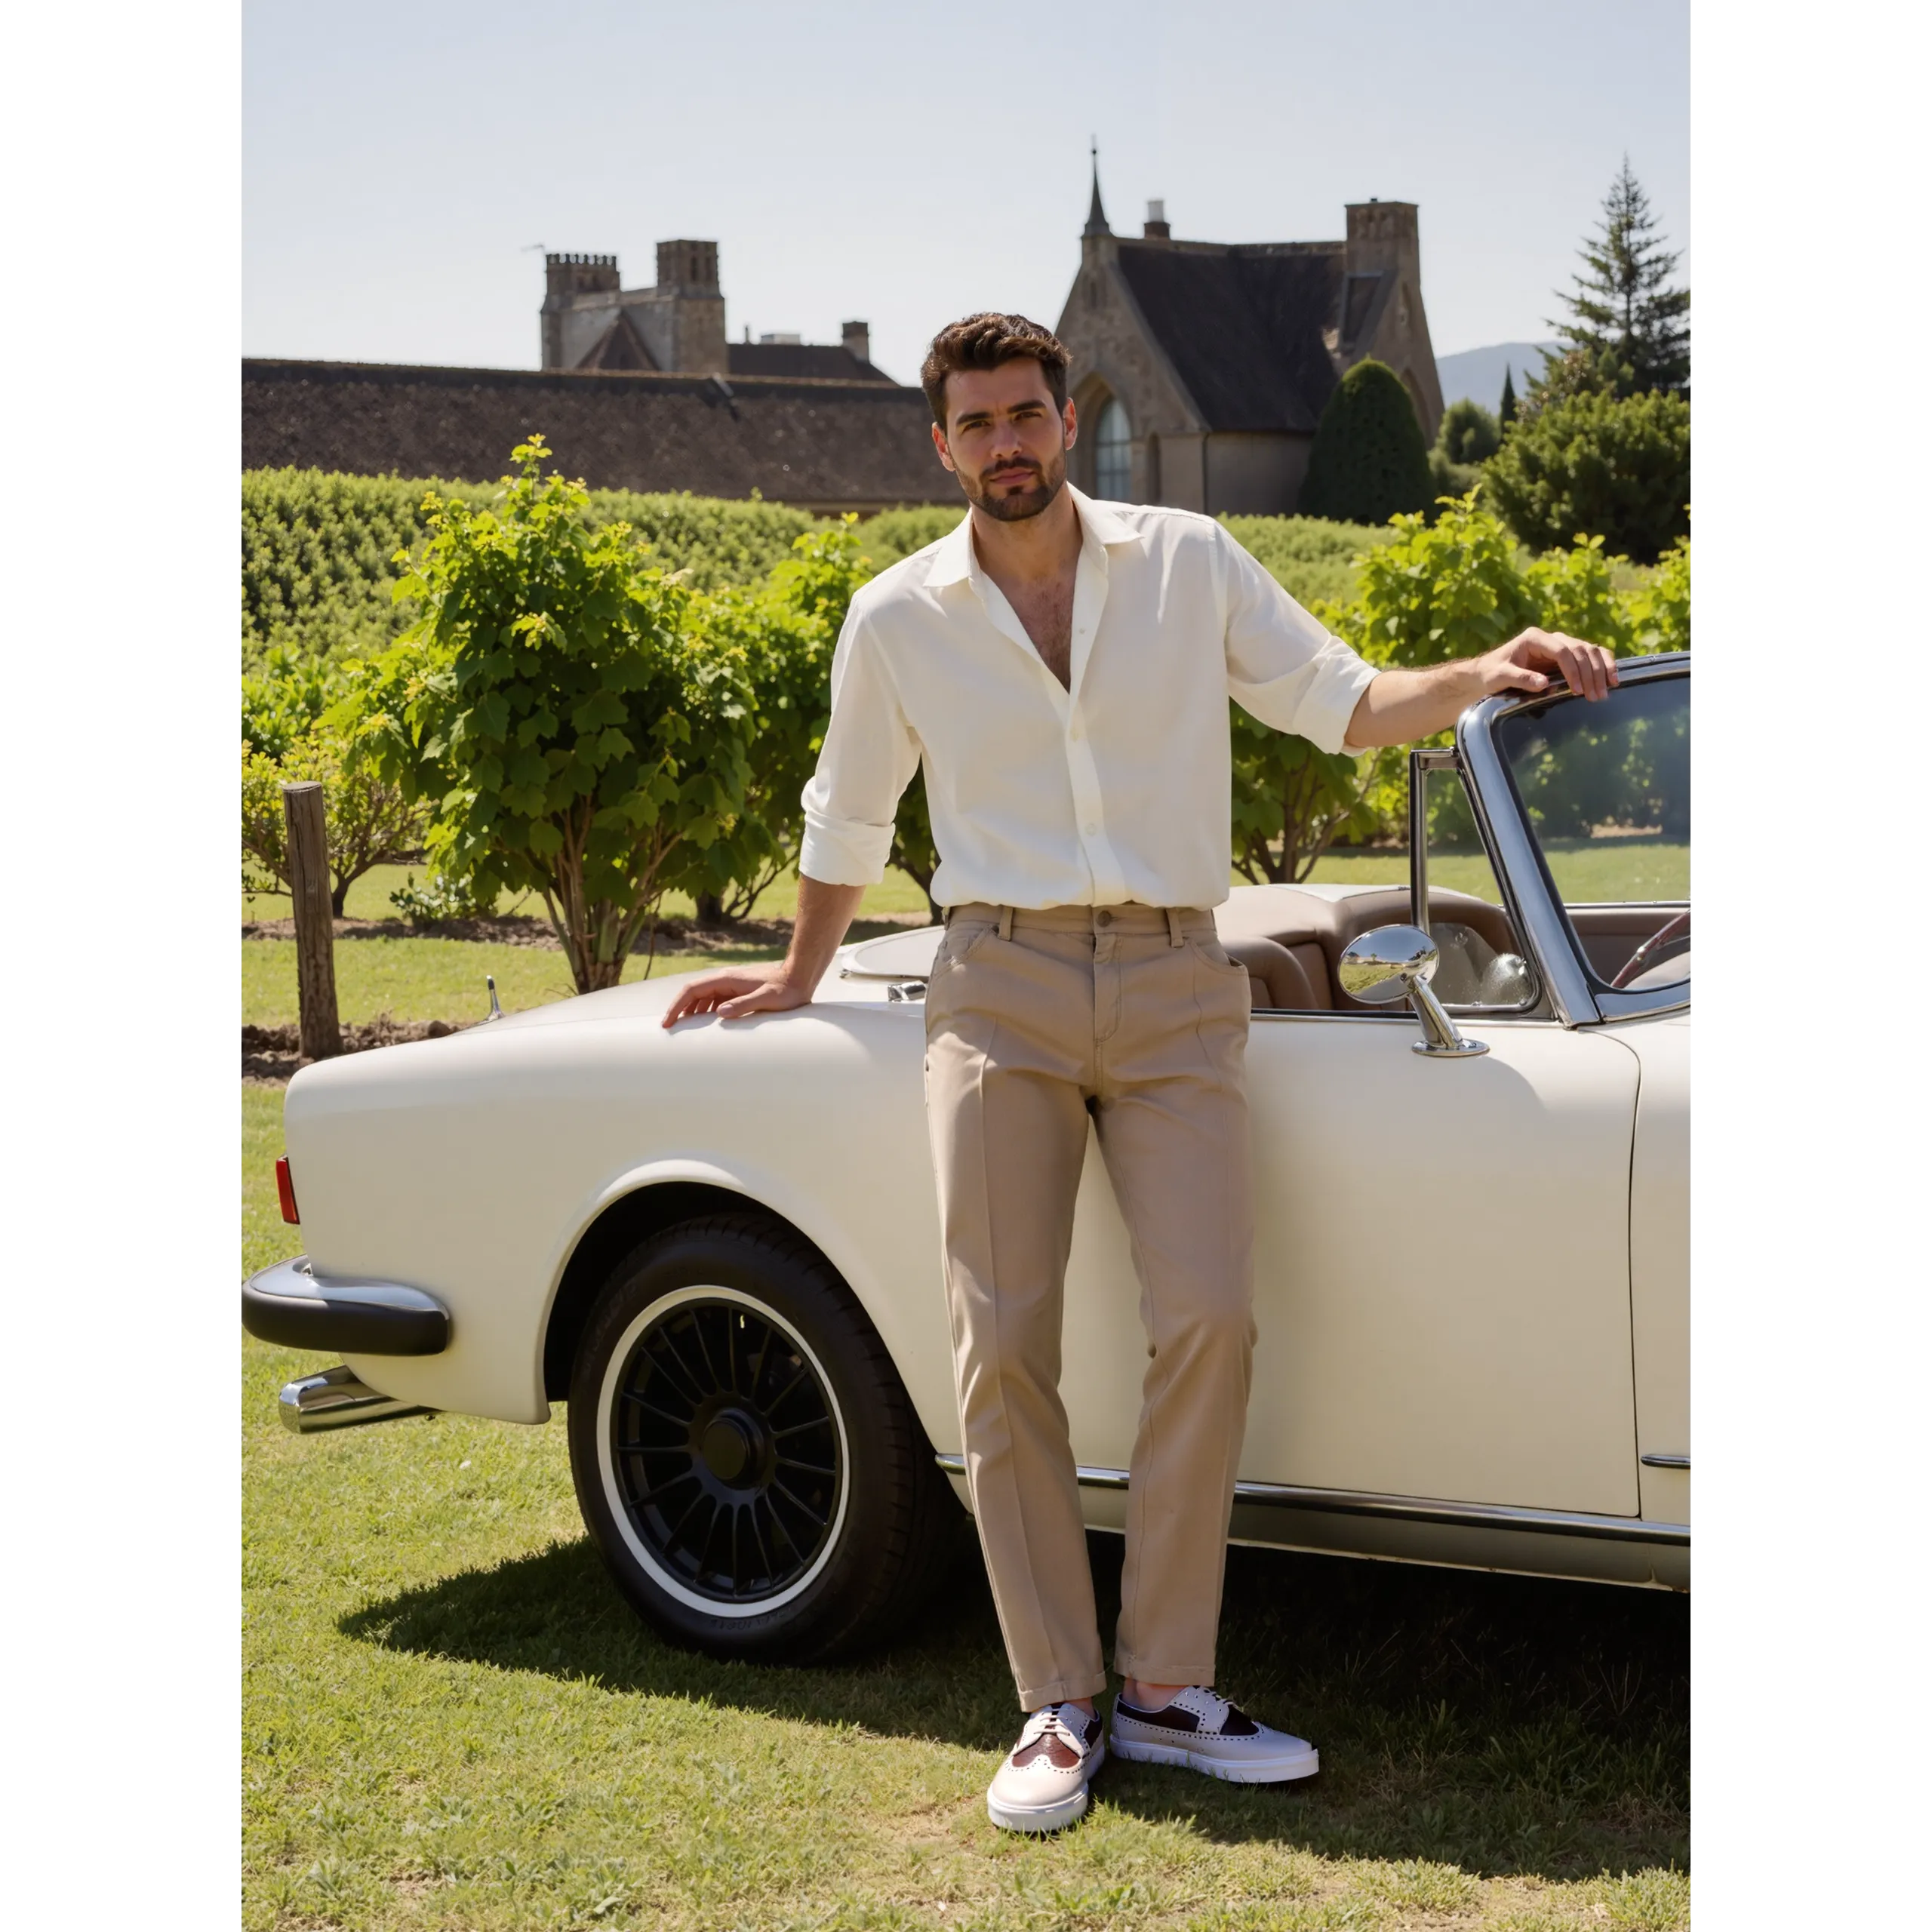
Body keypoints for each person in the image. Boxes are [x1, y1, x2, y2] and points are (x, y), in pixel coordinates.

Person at [663, 313, 1618, 1835]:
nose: (1008, 444)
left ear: (1062, 415)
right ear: (941, 445)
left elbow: (1345, 699)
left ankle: (1167, 1685)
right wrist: (793, 971)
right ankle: (1058, 1695)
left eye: (1028, 414)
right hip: (998, 985)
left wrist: (1487, 668)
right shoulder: (895, 615)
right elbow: (848, 818)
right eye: (975, 425)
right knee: (999, 1333)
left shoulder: (1183, 560)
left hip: (1179, 981)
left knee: (1211, 1316)